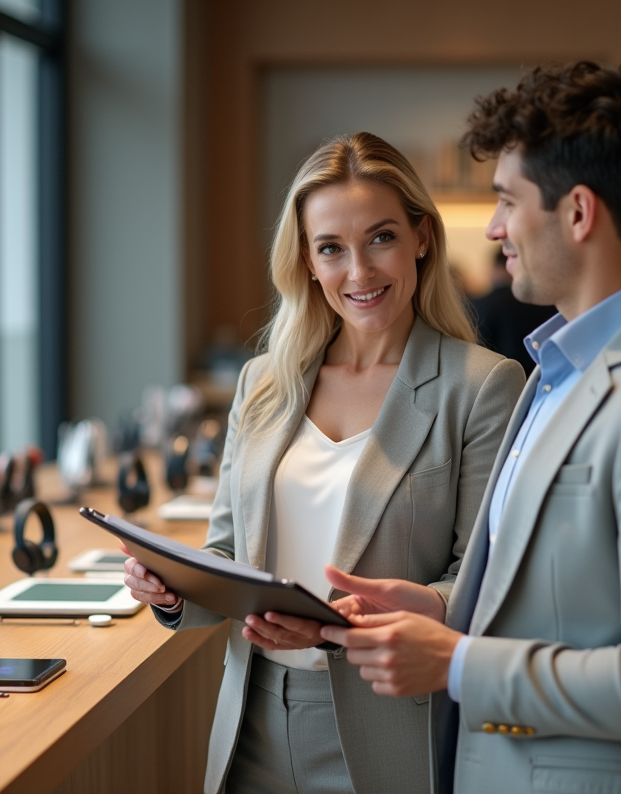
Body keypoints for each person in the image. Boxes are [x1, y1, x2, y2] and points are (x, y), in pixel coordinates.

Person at [318, 62, 621, 794]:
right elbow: (559, 597)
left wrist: (454, 661)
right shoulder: (556, 371)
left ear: (578, 213)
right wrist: (434, 606)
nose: (494, 230)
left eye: (506, 201)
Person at [122, 133, 524, 794]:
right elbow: (228, 551)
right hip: (253, 716)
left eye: (382, 238)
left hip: (392, 725)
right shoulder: (264, 382)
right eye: (331, 248)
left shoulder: (480, 386)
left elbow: (488, 585)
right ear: (306, 261)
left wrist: (403, 609)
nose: (359, 273)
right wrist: (171, 591)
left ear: (423, 237)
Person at [470, 247, 556, 374]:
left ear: (498, 267)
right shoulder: (549, 303)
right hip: (543, 378)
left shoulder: (482, 305)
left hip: (499, 380)